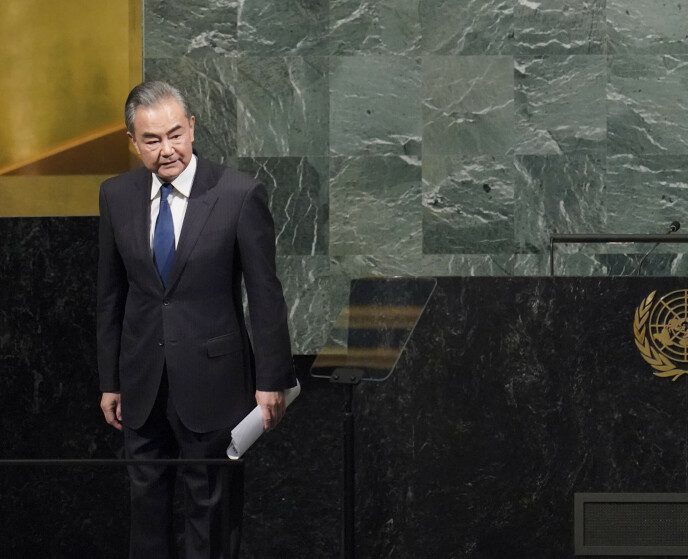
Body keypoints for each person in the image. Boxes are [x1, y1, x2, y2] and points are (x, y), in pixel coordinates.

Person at [97, 80, 295, 558]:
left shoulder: (239, 193)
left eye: (175, 135)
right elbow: (110, 295)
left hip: (214, 379)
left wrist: (273, 380)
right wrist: (110, 380)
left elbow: (265, 294)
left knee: (210, 507)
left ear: (191, 128)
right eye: (151, 140)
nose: (167, 151)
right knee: (147, 505)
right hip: (142, 380)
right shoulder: (116, 195)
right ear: (133, 142)